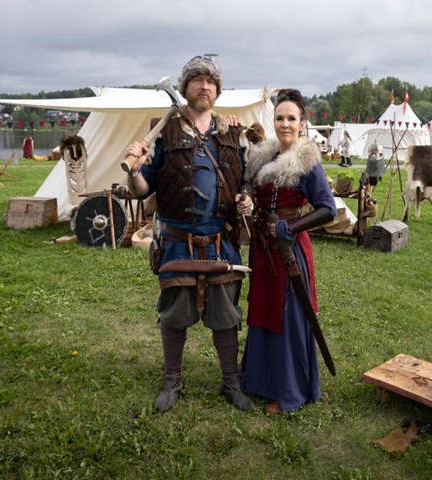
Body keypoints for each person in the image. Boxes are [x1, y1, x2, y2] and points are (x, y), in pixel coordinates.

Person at [124, 56, 255, 412]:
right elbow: (141, 187)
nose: (204, 85)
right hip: (178, 242)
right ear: (185, 88)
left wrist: (246, 199)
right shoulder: (164, 131)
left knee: (226, 316)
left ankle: (231, 382)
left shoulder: (230, 132)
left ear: (217, 90)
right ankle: (172, 382)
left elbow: (244, 178)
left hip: (220, 243)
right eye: (197, 80)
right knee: (175, 315)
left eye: (210, 81)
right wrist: (134, 168)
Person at [241, 89, 337, 414]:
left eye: (291, 118)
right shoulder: (262, 157)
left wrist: (291, 228)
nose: (284, 124)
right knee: (264, 309)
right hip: (263, 248)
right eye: (280, 118)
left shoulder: (307, 162)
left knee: (286, 316)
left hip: (289, 251)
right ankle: (260, 381)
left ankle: (289, 391)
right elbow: (249, 185)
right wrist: (246, 196)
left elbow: (327, 209)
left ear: (302, 123)